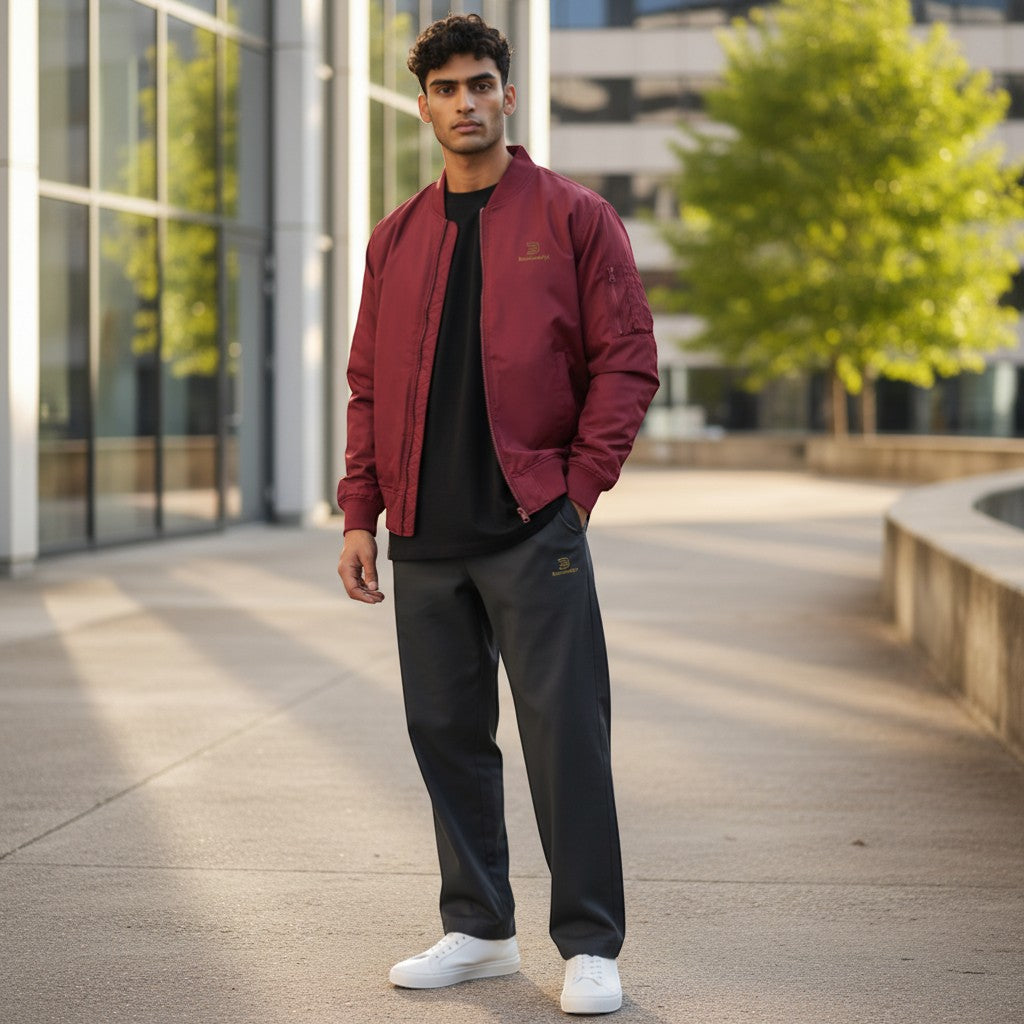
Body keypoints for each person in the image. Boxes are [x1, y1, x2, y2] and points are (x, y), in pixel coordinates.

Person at [336, 14, 658, 1016]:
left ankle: (590, 943)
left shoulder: (573, 217)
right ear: (422, 104)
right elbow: (367, 386)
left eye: (481, 84)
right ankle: (477, 927)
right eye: (446, 89)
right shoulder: (396, 236)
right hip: (425, 535)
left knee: (566, 734)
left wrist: (576, 491)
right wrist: (360, 511)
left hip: (532, 529)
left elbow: (627, 360)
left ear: (506, 97)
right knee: (444, 731)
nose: (465, 102)